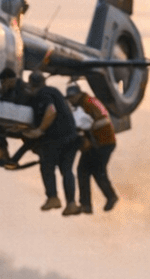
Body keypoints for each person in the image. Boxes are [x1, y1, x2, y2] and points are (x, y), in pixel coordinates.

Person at [23, 72, 80, 214]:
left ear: (31, 84)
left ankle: (53, 198)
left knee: (47, 167)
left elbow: (51, 110)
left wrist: (40, 130)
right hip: (71, 137)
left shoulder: (42, 94)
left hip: (55, 139)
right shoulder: (54, 91)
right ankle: (71, 203)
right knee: (67, 170)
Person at [68, 83, 119, 214]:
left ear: (78, 95)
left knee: (87, 171)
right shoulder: (90, 100)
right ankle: (95, 201)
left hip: (100, 142)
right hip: (104, 142)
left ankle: (93, 202)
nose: (71, 100)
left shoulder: (84, 105)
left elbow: (82, 125)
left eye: (72, 97)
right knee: (91, 171)